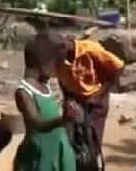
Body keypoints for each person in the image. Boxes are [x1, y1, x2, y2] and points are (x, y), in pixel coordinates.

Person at [36, 30, 124, 168]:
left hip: (95, 102)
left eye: (54, 58)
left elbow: (118, 68)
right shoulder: (58, 59)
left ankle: (91, 165)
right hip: (74, 99)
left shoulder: (90, 49)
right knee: (72, 141)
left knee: (91, 143)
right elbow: (62, 78)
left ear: (63, 48)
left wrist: (98, 94)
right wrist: (68, 98)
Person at [13, 39, 78, 171]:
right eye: (53, 66)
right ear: (43, 64)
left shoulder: (46, 86)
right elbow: (37, 123)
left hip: (58, 148)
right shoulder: (24, 92)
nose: (54, 71)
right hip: (39, 153)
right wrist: (63, 119)